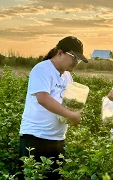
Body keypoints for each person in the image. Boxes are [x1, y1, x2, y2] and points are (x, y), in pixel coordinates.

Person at [18, 36, 88, 179]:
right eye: (74, 57)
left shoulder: (68, 77)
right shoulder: (42, 69)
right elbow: (43, 98)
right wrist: (70, 115)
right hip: (36, 138)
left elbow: (68, 103)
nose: (76, 62)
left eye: (79, 60)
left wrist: (75, 114)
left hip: (57, 139)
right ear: (60, 53)